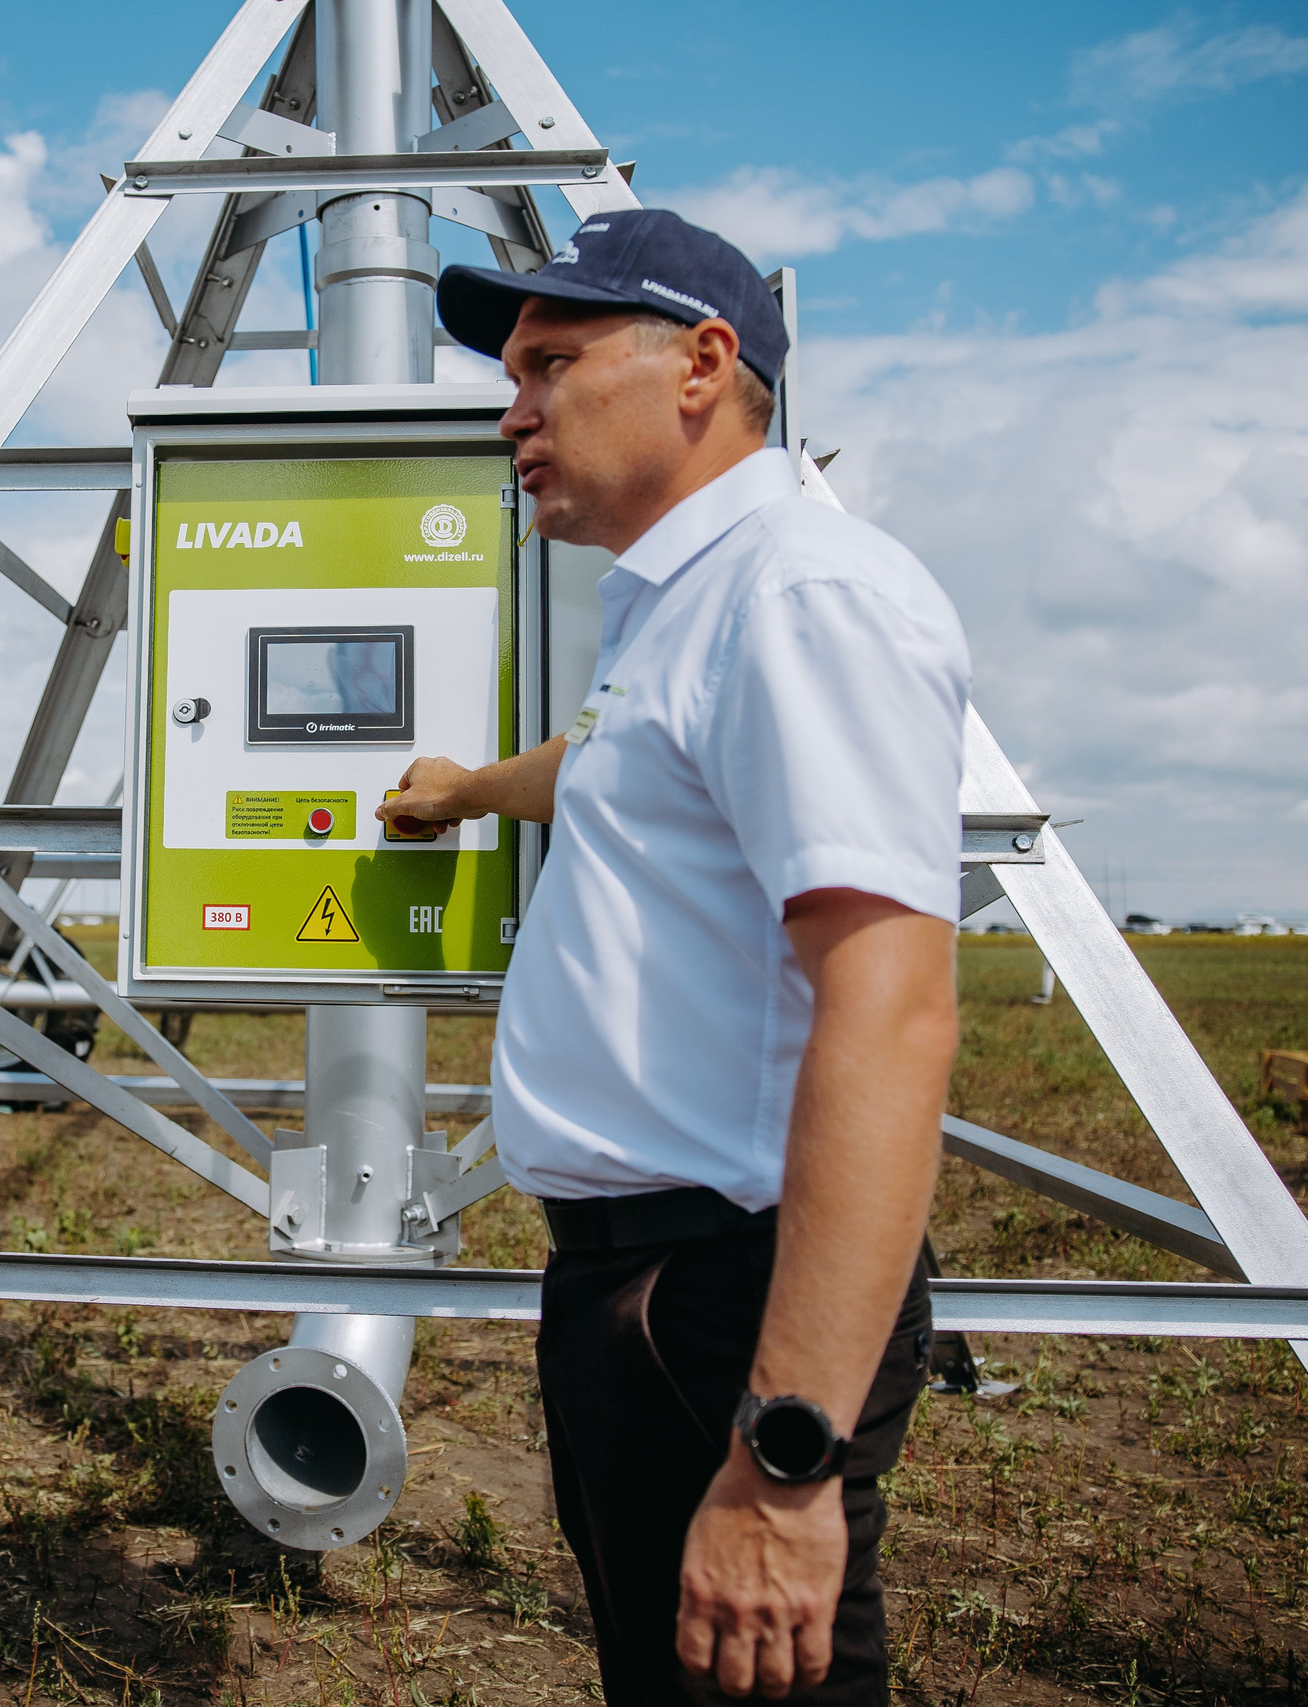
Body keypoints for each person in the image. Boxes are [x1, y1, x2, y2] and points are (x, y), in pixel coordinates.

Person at [385, 210, 969, 1702]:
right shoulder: (687, 606)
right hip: (643, 1289)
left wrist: (786, 1461)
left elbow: (891, 1010)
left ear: (705, 363)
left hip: (726, 1303)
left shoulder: (800, 597)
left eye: (551, 363)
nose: (512, 410)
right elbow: (609, 768)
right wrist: (462, 789)